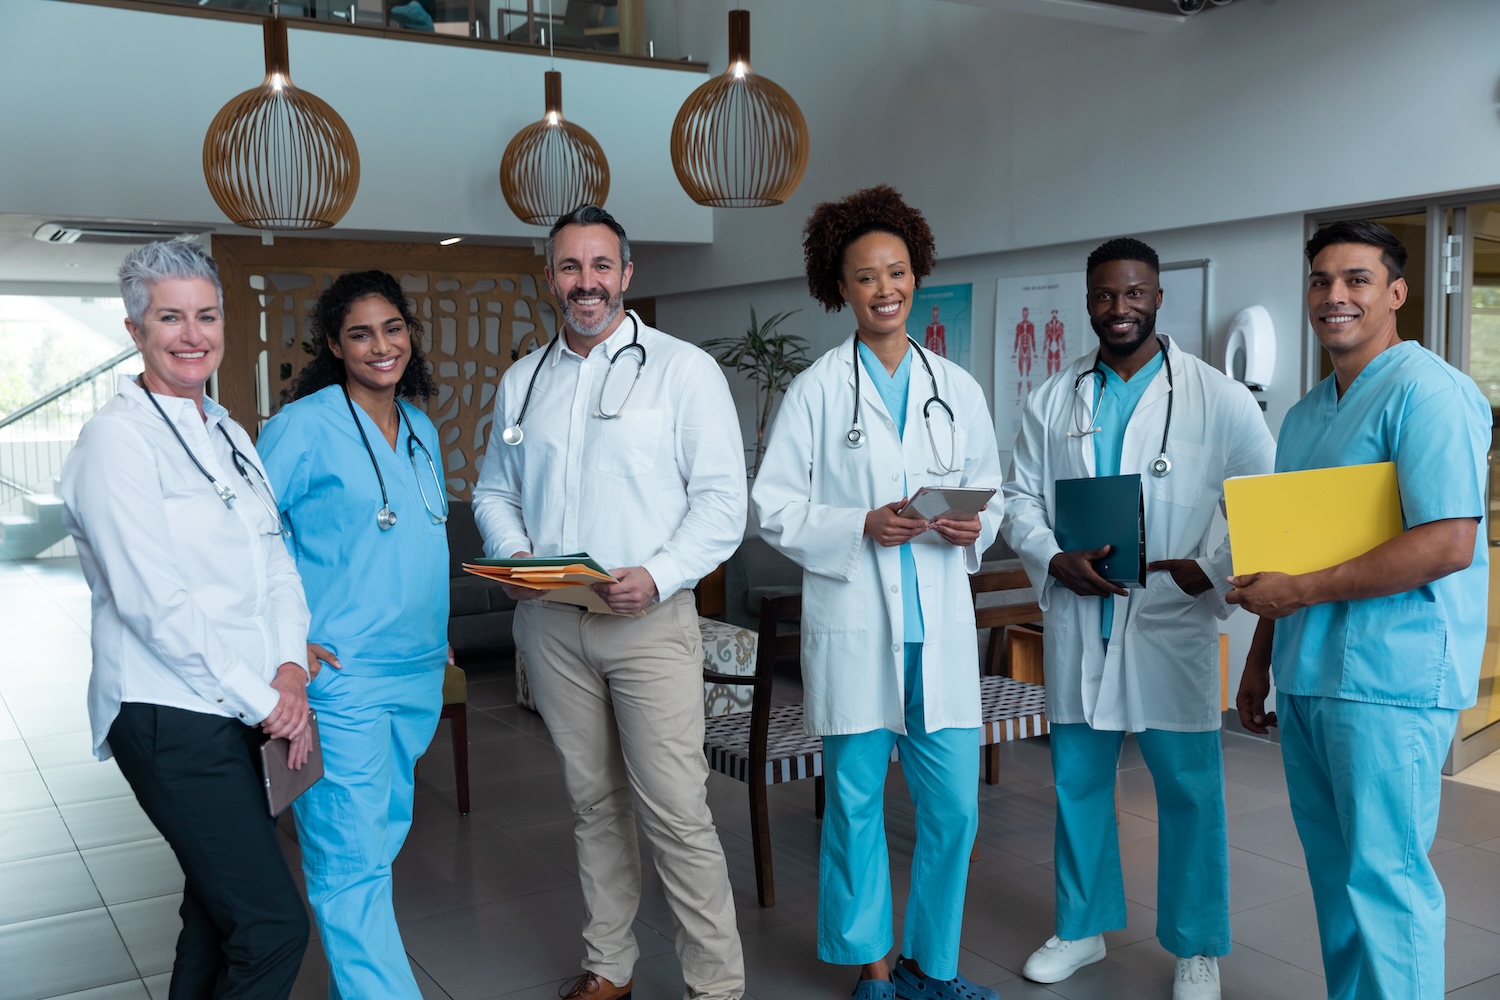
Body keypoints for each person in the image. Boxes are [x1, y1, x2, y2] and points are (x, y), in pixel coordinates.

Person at [472, 204, 746, 1000]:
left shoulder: (682, 371)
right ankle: (609, 966)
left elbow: (723, 503)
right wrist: (517, 555)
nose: (584, 284)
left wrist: (658, 573)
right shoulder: (522, 382)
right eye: (569, 267)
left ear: (627, 275)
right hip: (552, 624)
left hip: (648, 623)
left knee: (676, 813)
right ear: (549, 276)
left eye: (600, 267)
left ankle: (717, 987)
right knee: (592, 803)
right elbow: (495, 489)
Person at [1002, 237, 1275, 999]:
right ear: (1087, 302)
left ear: (1157, 298)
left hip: (1170, 621)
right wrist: (1053, 557)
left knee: (1189, 788)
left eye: (1133, 294)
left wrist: (1214, 569)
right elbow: (1019, 498)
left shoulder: (1217, 397)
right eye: (1103, 296)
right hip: (1080, 618)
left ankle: (1196, 946)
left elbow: (1259, 494)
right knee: (1077, 783)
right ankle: (1083, 927)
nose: (1118, 309)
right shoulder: (1051, 399)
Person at [752, 185, 1004, 1000]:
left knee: (955, 813)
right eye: (866, 277)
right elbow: (774, 505)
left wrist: (976, 526)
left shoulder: (955, 388)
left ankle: (936, 966)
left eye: (897, 272)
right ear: (841, 288)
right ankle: (876, 970)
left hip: (940, 638)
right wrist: (858, 523)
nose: (885, 289)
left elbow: (989, 493)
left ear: (917, 275)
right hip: (858, 631)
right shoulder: (820, 389)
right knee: (855, 810)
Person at [1232, 220, 1489, 1000]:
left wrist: (1300, 594)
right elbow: (1284, 552)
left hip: (1391, 678)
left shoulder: (1430, 393)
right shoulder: (1307, 415)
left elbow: (1447, 542)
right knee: (1337, 878)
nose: (1334, 296)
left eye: (1356, 280)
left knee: (1387, 879)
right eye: (1320, 281)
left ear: (1396, 293)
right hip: (1308, 674)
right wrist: (1256, 660)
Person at [60, 239, 312, 999]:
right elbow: (151, 603)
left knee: (215, 917)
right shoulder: (116, 441)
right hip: (169, 713)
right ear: (136, 329)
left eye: (206, 315)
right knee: (272, 929)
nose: (192, 334)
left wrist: (292, 666)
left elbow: (275, 558)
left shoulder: (228, 432)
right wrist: (268, 700)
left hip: (241, 704)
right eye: (170, 318)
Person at [256, 271, 449, 1000]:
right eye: (360, 333)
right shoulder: (301, 427)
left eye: (393, 329)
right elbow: (247, 537)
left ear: (409, 336)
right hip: (344, 680)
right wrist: (284, 644)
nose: (380, 346)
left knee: (376, 850)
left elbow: (413, 544)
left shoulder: (421, 429)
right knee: (349, 869)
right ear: (334, 345)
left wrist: (437, 630)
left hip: (417, 670)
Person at [1013, 306, 1037, 397]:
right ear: (1022, 314)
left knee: (1027, 373)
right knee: (1020, 374)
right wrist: (1015, 352)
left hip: (1028, 351)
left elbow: (1033, 339)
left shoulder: (1031, 325)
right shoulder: (1019, 326)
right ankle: (1019, 396)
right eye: (1024, 313)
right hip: (1020, 350)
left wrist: (1034, 352)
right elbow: (1016, 339)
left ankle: (1028, 397)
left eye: (1026, 313)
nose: (1025, 314)